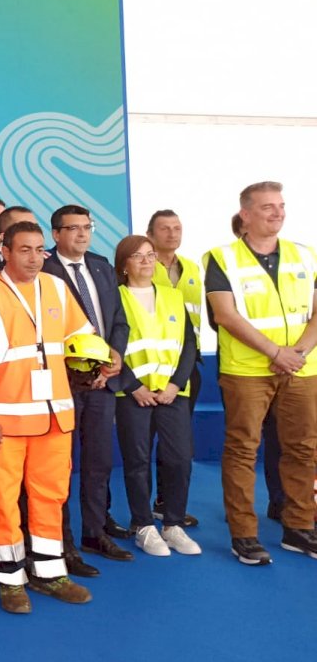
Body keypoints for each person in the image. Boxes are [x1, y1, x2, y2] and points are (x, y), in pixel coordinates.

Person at [0, 221, 94, 613]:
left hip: (54, 418)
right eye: (25, 250)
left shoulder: (57, 288)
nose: (34, 258)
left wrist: (100, 359)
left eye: (39, 249)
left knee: (51, 497)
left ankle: (49, 573)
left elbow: (81, 341)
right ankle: (11, 578)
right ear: (6, 253)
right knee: (2, 501)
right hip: (4, 422)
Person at [205, 181, 317, 565]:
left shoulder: (306, 255)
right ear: (246, 214)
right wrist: (275, 353)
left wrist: (297, 353)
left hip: (302, 368)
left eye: (281, 205)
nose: (278, 212)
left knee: (304, 448)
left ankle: (299, 527)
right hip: (247, 371)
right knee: (242, 449)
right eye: (268, 206)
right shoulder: (221, 258)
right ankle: (245, 535)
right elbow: (225, 315)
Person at [42, 204, 129, 574]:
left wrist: (114, 356)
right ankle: (62, 544)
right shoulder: (43, 270)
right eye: (73, 228)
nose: (82, 234)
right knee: (58, 467)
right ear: (56, 234)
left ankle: (95, 532)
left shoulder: (101, 266)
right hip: (63, 384)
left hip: (103, 383)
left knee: (98, 463)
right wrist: (76, 369)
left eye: (87, 227)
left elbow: (118, 321)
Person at [111, 236, 201, 556]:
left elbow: (189, 344)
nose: (147, 261)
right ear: (124, 264)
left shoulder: (173, 296)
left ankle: (173, 524)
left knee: (179, 459)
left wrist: (176, 384)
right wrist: (133, 386)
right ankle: (144, 526)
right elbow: (106, 347)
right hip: (132, 393)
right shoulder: (114, 298)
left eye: (150, 255)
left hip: (172, 393)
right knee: (137, 461)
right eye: (138, 256)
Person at [147, 209, 202, 527]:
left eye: (177, 228)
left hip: (187, 365)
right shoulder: (140, 265)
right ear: (150, 234)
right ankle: (141, 512)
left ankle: (165, 501)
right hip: (150, 367)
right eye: (165, 228)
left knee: (176, 444)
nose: (172, 234)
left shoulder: (192, 268)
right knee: (145, 441)